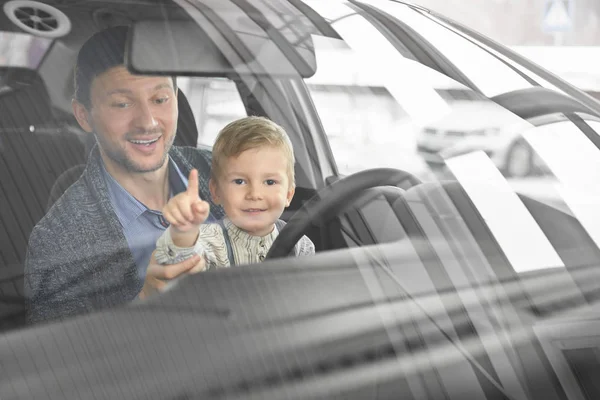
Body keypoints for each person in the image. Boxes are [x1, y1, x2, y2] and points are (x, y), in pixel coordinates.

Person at [23, 25, 223, 324]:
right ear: (83, 116)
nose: (148, 122)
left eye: (160, 99)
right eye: (122, 104)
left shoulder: (225, 171)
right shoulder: (56, 241)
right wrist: (141, 303)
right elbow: (52, 357)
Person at [154, 117, 314, 271]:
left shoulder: (299, 245)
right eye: (239, 181)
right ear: (216, 191)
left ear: (289, 194)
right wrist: (184, 233)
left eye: (270, 182)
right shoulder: (208, 241)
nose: (254, 194)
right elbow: (178, 263)